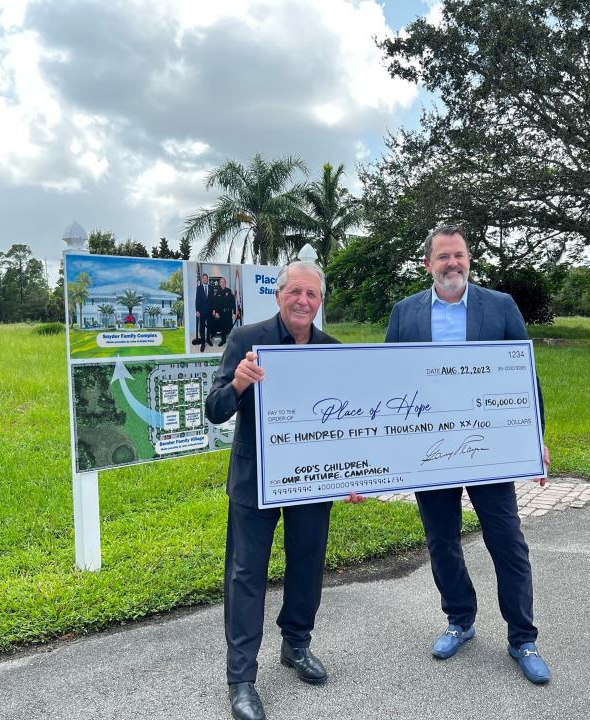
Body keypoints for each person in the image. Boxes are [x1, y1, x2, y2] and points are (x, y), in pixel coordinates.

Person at [385, 224, 552, 685]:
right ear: (428, 264)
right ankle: (460, 619)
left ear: (469, 259)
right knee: (442, 540)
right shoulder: (405, 313)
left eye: (459, 255)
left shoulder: (499, 306)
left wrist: (534, 438)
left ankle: (523, 638)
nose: (452, 264)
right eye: (443, 257)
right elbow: (387, 380)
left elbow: (524, 375)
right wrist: (384, 451)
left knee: (507, 541)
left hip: (490, 447)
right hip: (429, 448)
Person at [205, 260, 362, 720]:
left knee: (308, 564)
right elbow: (214, 410)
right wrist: (238, 382)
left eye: (312, 295)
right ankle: (242, 680)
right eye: (295, 291)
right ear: (278, 295)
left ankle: (296, 645)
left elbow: (350, 420)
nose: (303, 301)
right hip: (256, 480)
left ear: (319, 302)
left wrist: (356, 473)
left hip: (312, 479)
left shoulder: (331, 350)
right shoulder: (246, 339)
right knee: (245, 575)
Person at [212, 275, 237, 346]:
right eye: (221, 282)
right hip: (221, 313)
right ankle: (223, 340)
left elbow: (233, 303)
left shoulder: (229, 291)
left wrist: (234, 313)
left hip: (228, 313)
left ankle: (231, 341)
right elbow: (215, 303)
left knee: (229, 327)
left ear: (225, 283)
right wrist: (216, 312)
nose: (222, 283)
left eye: (224, 282)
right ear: (219, 283)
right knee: (222, 327)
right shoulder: (217, 292)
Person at [195, 272, 214, 352]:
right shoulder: (199, 288)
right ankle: (203, 343)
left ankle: (208, 339)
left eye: (206, 278)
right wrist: (197, 310)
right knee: (202, 327)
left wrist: (214, 310)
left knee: (209, 326)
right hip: (202, 311)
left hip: (210, 311)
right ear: (202, 279)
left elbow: (213, 300)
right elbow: (197, 300)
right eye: (204, 278)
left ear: (207, 279)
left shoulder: (211, 287)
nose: (205, 279)